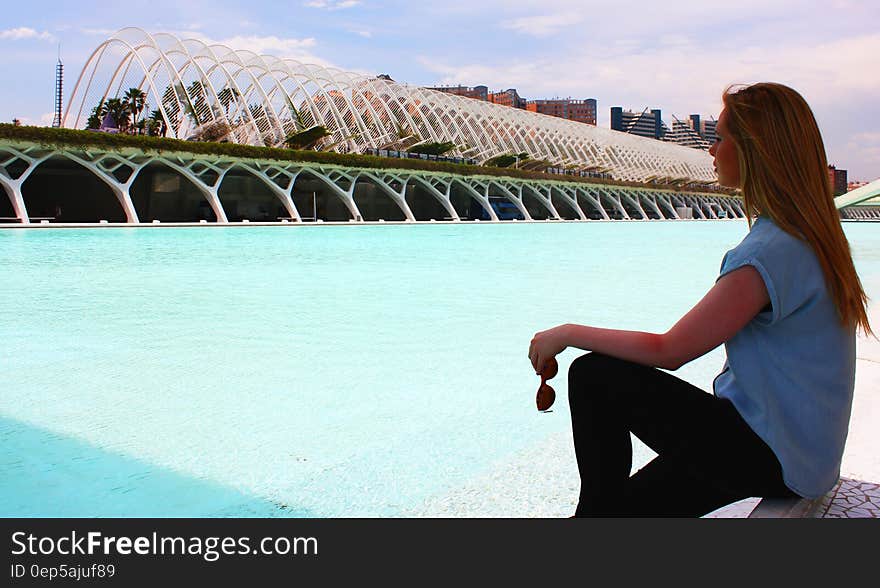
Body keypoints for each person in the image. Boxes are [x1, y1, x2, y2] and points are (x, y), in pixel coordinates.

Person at [528, 82, 873, 517]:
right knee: (596, 381)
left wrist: (566, 333)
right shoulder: (809, 237)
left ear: (755, 150)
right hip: (801, 450)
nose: (711, 150)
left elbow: (670, 351)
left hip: (772, 453)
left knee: (594, 378)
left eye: (721, 138)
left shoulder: (768, 252)